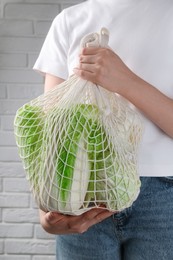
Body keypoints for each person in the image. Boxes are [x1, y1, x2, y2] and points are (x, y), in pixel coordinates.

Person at [33, 0, 173, 259]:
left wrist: (124, 80)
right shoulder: (69, 21)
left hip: (164, 199)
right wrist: (47, 214)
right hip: (79, 193)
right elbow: (50, 132)